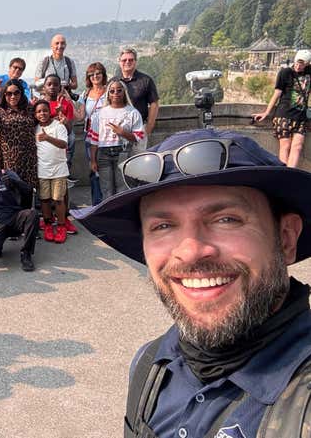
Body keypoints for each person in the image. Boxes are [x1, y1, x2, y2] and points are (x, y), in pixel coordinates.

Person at [72, 129, 311, 437]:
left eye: (226, 219)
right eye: (163, 225)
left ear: (286, 238)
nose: (190, 251)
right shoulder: (151, 366)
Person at [0, 80, 38, 196]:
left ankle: (28, 213)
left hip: (28, 158)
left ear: (21, 94)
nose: (13, 96)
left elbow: (41, 121)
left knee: (27, 192)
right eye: (9, 93)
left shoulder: (29, 109)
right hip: (8, 159)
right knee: (10, 192)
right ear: (4, 95)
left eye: (16, 93)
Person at [252, 49, 311, 168]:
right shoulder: (285, 73)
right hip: (284, 115)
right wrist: (267, 112)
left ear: (307, 64)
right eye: (297, 62)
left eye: (302, 63)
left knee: (297, 147)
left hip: (301, 117)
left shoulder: (309, 72)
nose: (298, 66)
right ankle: (284, 173)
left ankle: (291, 174)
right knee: (286, 145)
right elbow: (277, 93)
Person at [88, 79, 144, 200]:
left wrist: (122, 132)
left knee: (122, 188)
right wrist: (93, 160)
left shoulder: (132, 112)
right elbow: (94, 140)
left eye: (119, 90)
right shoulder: (100, 114)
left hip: (123, 152)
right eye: (112, 91)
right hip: (103, 154)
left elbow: (138, 137)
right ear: (108, 94)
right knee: (106, 189)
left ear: (124, 92)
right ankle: (110, 216)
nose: (116, 93)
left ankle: (122, 215)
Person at [33, 100, 70, 243]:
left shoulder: (59, 126)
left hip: (59, 170)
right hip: (42, 170)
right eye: (38, 111)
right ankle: (48, 224)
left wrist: (47, 137)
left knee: (58, 199)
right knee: (44, 200)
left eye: (45, 110)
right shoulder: (34, 129)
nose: (42, 113)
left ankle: (61, 226)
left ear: (50, 111)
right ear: (35, 115)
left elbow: (64, 144)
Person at [78, 62, 108, 205]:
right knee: (94, 170)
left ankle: (109, 201)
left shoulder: (110, 92)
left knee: (108, 170)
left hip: (107, 136)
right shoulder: (85, 94)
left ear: (103, 75)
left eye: (98, 73)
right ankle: (97, 203)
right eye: (92, 74)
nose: (95, 76)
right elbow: (80, 116)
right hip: (90, 137)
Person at [118, 46, 158, 151]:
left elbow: (154, 103)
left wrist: (149, 127)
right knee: (120, 164)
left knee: (138, 161)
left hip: (139, 128)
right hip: (119, 130)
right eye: (124, 60)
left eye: (131, 60)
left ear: (135, 62)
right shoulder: (114, 81)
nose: (127, 62)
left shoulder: (145, 80)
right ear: (119, 62)